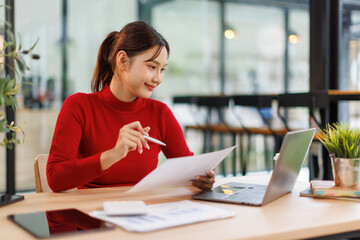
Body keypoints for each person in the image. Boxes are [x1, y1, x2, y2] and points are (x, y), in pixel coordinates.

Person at [47, 21, 215, 192]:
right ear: (122, 61)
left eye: (162, 69)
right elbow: (55, 179)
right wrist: (113, 154)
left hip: (144, 213)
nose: (158, 78)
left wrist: (203, 178)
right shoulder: (79, 106)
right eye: (152, 67)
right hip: (91, 213)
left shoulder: (160, 113)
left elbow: (189, 169)